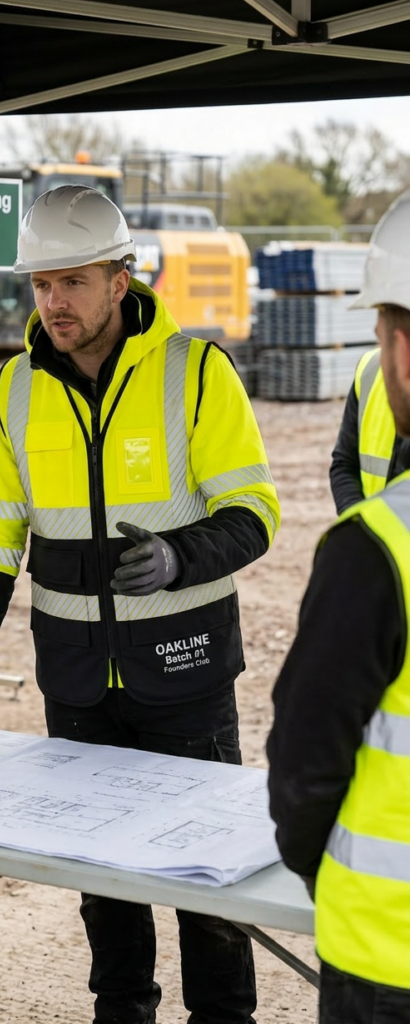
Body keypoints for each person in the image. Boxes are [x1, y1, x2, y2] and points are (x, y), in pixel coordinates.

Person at [0, 186, 281, 1024]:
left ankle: (225, 1018)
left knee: (206, 878)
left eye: (71, 281)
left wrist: (181, 556)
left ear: (120, 278)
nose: (52, 302)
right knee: (102, 881)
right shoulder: (15, 392)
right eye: (41, 284)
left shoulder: (196, 371)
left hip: (185, 675)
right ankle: (123, 1013)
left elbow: (257, 517)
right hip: (74, 682)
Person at [267, 191, 410, 1024]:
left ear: (399, 346)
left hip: (389, 961)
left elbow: (304, 764)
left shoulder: (377, 550)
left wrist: (331, 874)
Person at [329, 202, 410, 512]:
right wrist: (361, 525)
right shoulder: (370, 371)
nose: (376, 327)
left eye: (382, 312)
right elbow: (344, 463)